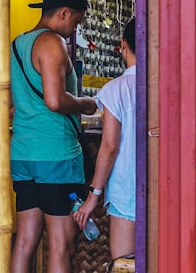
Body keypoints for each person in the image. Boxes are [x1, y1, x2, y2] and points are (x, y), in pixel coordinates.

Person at [11, 0, 99, 273]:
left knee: (25, 242)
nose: (76, 28)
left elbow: (13, 106)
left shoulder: (18, 44)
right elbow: (54, 100)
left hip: (24, 153)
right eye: (77, 20)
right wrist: (87, 103)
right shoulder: (52, 43)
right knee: (62, 243)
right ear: (64, 13)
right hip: (56, 156)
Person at [72, 18, 137, 262]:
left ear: (123, 44)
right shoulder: (164, 85)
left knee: (123, 264)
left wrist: (93, 196)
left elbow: (109, 147)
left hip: (126, 191)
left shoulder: (117, 89)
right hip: (164, 189)